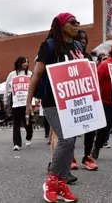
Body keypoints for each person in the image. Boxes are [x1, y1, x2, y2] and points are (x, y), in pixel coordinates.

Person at [26, 12, 80, 203]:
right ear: (61, 25)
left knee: (71, 141)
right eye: (72, 23)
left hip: (73, 100)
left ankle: (62, 183)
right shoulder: (48, 46)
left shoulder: (77, 46)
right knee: (65, 139)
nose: (77, 25)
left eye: (78, 22)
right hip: (52, 100)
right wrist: (29, 102)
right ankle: (50, 182)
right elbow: (37, 74)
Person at [71, 30, 98, 171]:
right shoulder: (68, 55)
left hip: (87, 95)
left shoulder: (87, 57)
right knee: (73, 129)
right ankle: (71, 157)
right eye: (80, 38)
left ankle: (87, 156)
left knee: (90, 127)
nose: (83, 41)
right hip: (72, 96)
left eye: (85, 39)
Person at [4, 56, 34, 151]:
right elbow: (7, 88)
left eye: (27, 62)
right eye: (24, 62)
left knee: (28, 123)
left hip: (27, 102)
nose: (26, 64)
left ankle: (29, 136)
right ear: (19, 63)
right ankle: (17, 144)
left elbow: (34, 86)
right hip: (15, 102)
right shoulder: (12, 75)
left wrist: (35, 99)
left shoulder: (30, 74)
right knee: (16, 124)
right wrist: (5, 100)